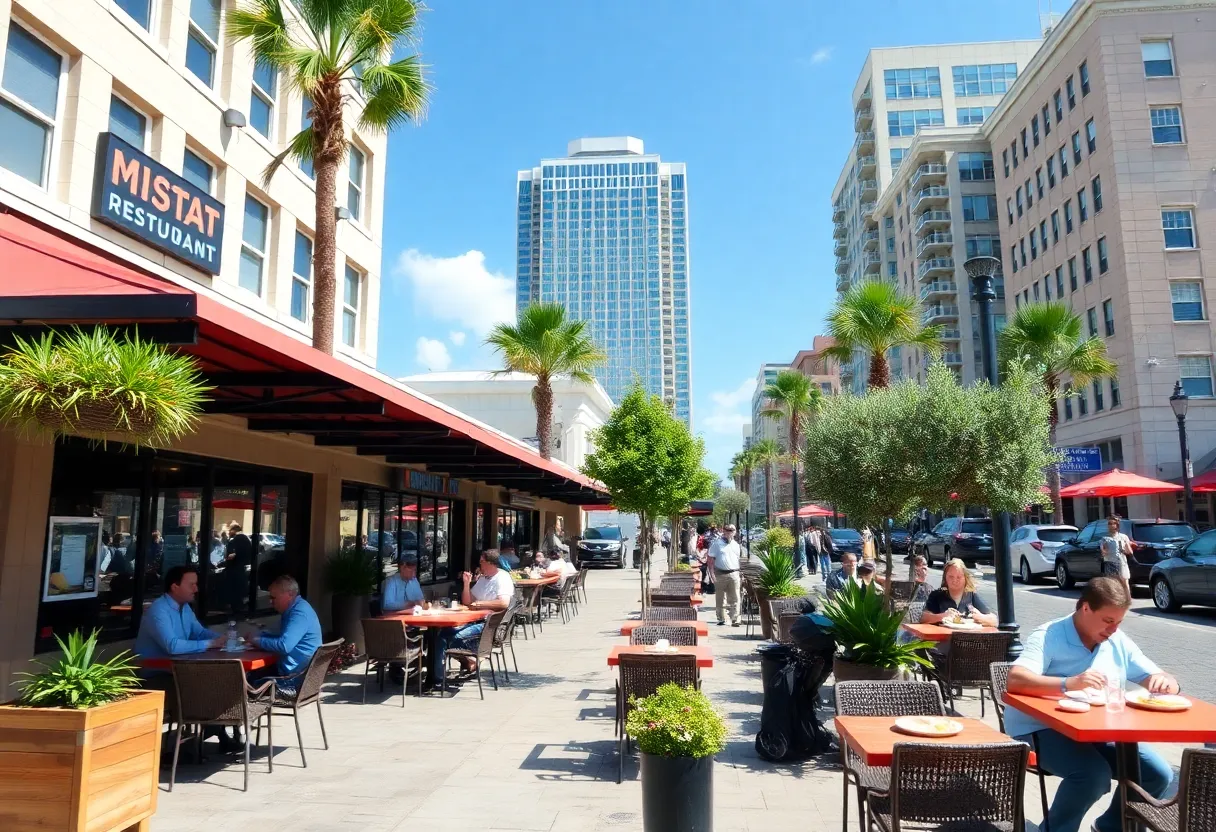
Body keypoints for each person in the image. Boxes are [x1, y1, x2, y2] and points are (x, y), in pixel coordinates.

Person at [1007, 578, 1177, 832]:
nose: (1113, 629)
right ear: (1085, 608)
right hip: (1039, 729)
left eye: (1119, 622)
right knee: (1092, 776)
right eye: (1108, 621)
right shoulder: (1050, 635)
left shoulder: (1116, 640)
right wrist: (1068, 683)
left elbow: (1156, 676)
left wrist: (1164, 682)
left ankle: (1110, 827)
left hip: (1097, 730)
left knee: (1157, 774)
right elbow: (1015, 680)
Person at [432, 551, 515, 682]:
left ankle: (471, 660)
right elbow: (467, 601)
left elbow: (504, 603)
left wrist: (480, 604)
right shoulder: (483, 578)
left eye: (481, 562)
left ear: (490, 563)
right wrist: (466, 583)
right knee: (442, 635)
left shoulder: (502, 577)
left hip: (489, 625)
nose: (479, 565)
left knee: (455, 638)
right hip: (474, 620)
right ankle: (438, 679)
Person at [245, 575, 322, 697]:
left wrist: (256, 640)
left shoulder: (299, 613)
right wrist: (260, 637)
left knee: (244, 685)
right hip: (298, 674)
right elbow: (283, 638)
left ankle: (237, 713)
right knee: (250, 676)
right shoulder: (297, 608)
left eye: (273, 597)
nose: (271, 602)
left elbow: (284, 645)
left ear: (290, 594)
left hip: (292, 681)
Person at [135, 565, 224, 663]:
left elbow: (200, 633)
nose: (196, 589)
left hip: (179, 668)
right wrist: (210, 643)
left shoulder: (185, 606)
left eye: (196, 584)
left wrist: (223, 640)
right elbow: (172, 646)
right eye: (191, 585)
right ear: (174, 587)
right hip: (156, 674)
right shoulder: (159, 610)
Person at [921, 558, 998, 626]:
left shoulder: (971, 595)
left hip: (967, 639)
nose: (955, 580)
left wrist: (980, 617)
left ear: (965, 578)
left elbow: (994, 620)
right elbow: (923, 618)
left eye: (959, 577)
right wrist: (943, 616)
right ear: (945, 578)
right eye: (951, 577)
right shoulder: (937, 595)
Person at [710, 524, 742, 626]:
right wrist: (711, 574)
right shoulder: (717, 544)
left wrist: (740, 573)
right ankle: (721, 618)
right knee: (720, 598)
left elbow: (738, 559)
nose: (729, 532)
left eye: (731, 530)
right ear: (723, 531)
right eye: (727, 530)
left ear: (735, 532)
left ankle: (735, 618)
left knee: (735, 597)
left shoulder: (736, 545)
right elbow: (710, 559)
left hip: (734, 573)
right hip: (720, 574)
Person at [222, 521, 253, 613]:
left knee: (233, 589)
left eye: (230, 530)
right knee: (240, 589)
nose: (229, 532)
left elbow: (231, 555)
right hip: (241, 568)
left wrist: (226, 561)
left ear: (234, 530)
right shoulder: (246, 539)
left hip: (234, 568)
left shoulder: (235, 540)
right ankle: (239, 606)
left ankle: (235, 606)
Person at [1099, 515, 1133, 597]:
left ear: (1117, 525)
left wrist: (1125, 548)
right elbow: (1103, 553)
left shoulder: (1123, 537)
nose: (1111, 525)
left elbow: (1130, 552)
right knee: (1112, 583)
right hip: (1110, 563)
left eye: (1113, 523)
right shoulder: (1104, 539)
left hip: (1121, 562)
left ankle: (1127, 598)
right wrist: (1104, 550)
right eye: (1109, 523)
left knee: (1124, 581)